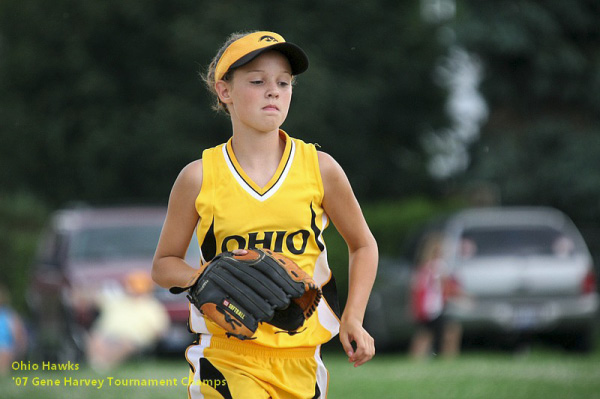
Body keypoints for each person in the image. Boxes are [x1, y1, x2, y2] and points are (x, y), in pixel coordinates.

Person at [152, 30, 378, 399]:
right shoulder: (200, 175)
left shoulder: (320, 168)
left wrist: (353, 316)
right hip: (227, 352)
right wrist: (202, 276)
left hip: (301, 355)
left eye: (284, 82)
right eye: (257, 81)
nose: (273, 90)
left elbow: (363, 245)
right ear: (225, 91)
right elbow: (163, 264)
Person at [86, 271, 170, 371]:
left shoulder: (153, 306)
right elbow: (93, 299)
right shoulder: (116, 300)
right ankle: (97, 364)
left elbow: (160, 330)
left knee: (124, 344)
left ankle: (105, 366)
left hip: (132, 340)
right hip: (107, 334)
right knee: (95, 339)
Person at [409, 233, 462, 359]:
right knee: (450, 331)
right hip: (433, 309)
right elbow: (449, 286)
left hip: (425, 309)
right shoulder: (438, 267)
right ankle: (448, 358)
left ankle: (416, 359)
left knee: (424, 335)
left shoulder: (422, 269)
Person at [0, 284, 27, 376]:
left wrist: (18, 350)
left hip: (5, 348)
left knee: (3, 352)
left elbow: (19, 336)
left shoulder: (8, 315)